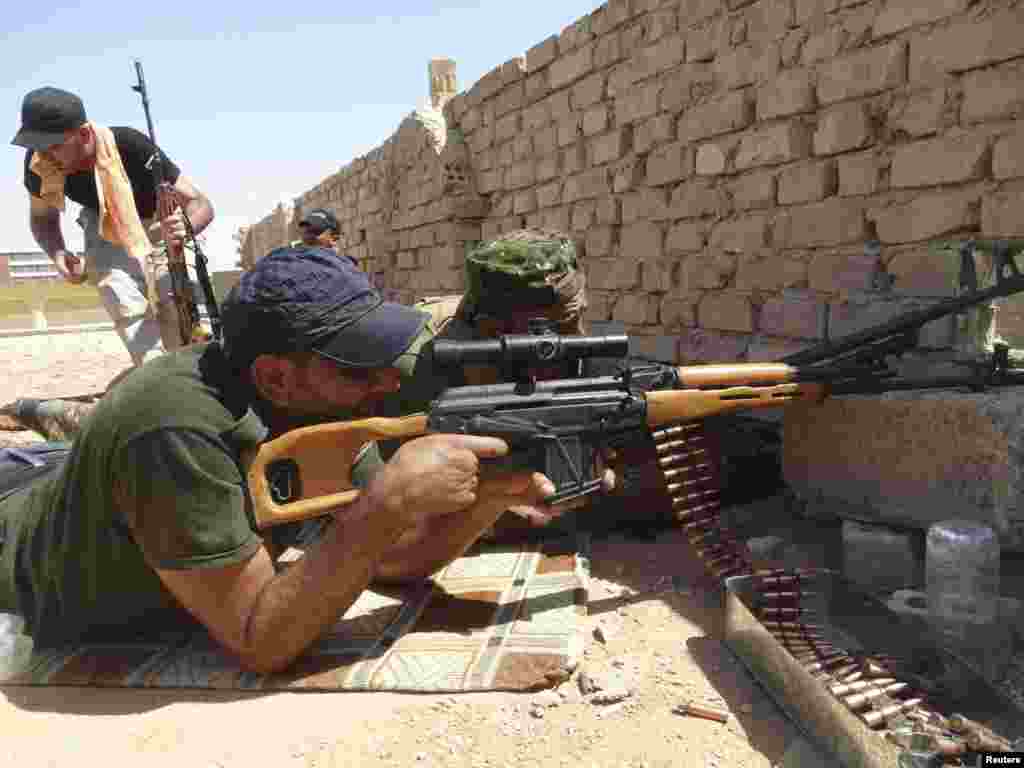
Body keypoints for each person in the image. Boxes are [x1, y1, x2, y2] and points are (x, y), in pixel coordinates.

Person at [0, 247, 607, 674]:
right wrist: (386, 503)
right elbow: (260, 640)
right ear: (276, 376)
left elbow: (388, 559)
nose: (384, 380)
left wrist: (488, 497)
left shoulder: (317, 406)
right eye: (355, 365)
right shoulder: (174, 427)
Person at [13, 86, 215, 366]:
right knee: (120, 296)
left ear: (84, 135)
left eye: (54, 146)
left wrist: (185, 226)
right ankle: (154, 378)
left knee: (178, 302)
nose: (44, 157)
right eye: (37, 147)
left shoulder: (130, 145)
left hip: (161, 224)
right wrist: (58, 252)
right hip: (106, 226)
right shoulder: (40, 165)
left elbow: (200, 204)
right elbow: (43, 218)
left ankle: (195, 370)